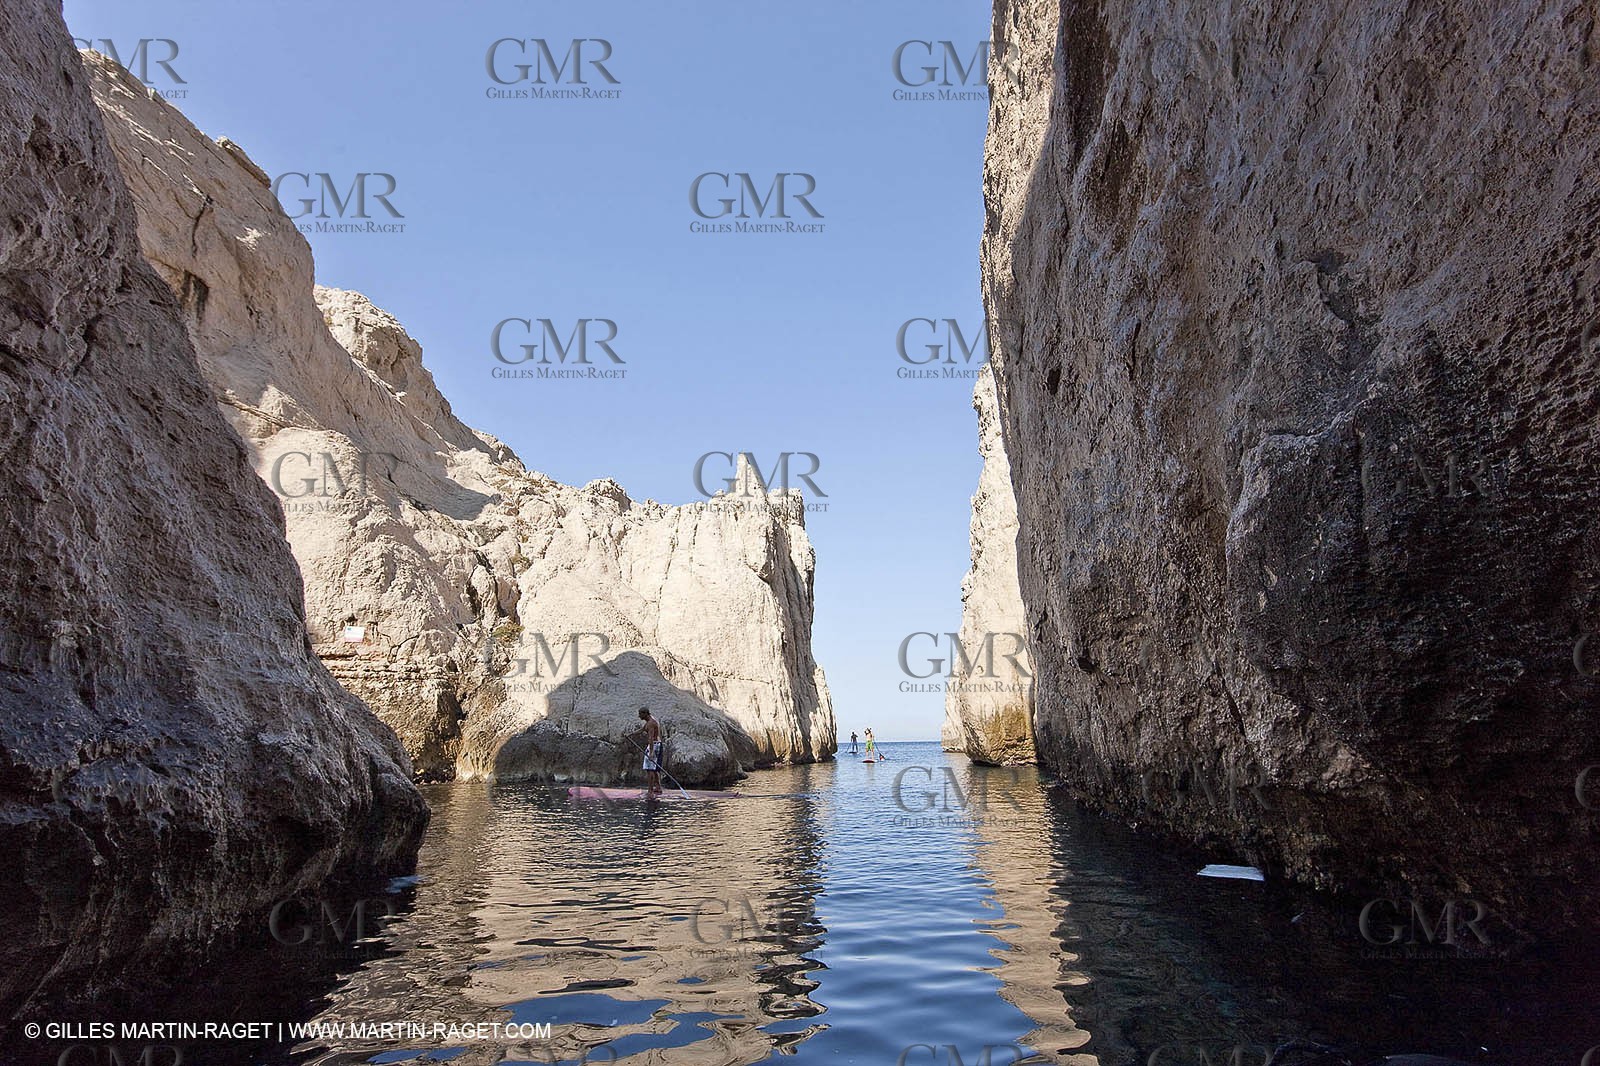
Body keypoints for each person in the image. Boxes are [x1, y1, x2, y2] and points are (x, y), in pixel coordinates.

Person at [639, 706, 664, 797]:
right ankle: (658, 787)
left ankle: (650, 791)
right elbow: (642, 730)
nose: (639, 716)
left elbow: (650, 738)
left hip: (654, 745)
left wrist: (651, 752)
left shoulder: (650, 723)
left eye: (640, 714)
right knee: (655, 768)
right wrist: (630, 735)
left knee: (650, 769)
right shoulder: (651, 721)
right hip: (658, 744)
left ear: (645, 714)